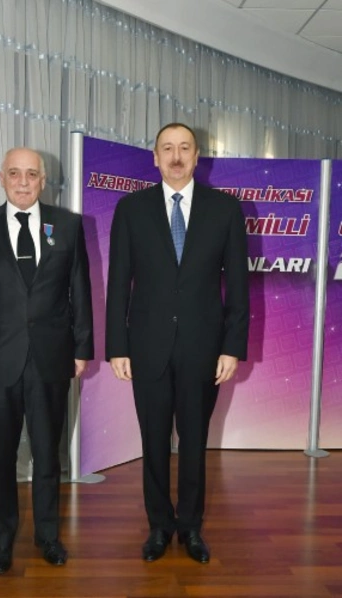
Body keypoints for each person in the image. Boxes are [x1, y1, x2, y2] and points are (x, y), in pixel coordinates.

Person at [105, 123, 249, 564]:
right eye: (167, 148)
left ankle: (190, 527)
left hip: (203, 348)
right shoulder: (131, 209)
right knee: (152, 441)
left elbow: (238, 287)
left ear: (197, 155)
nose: (176, 156)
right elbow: (118, 284)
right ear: (155, 157)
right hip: (146, 346)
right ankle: (158, 526)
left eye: (185, 148)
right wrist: (117, 346)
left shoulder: (226, 210)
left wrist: (232, 347)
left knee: (193, 441)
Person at [0, 147, 94, 573]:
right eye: (15, 173)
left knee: (48, 455)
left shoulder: (67, 226)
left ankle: (48, 536)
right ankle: (1, 542)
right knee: (0, 457)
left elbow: (80, 291)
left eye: (32, 174)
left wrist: (81, 349)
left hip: (51, 359)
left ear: (43, 180)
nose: (24, 182)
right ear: (2, 178)